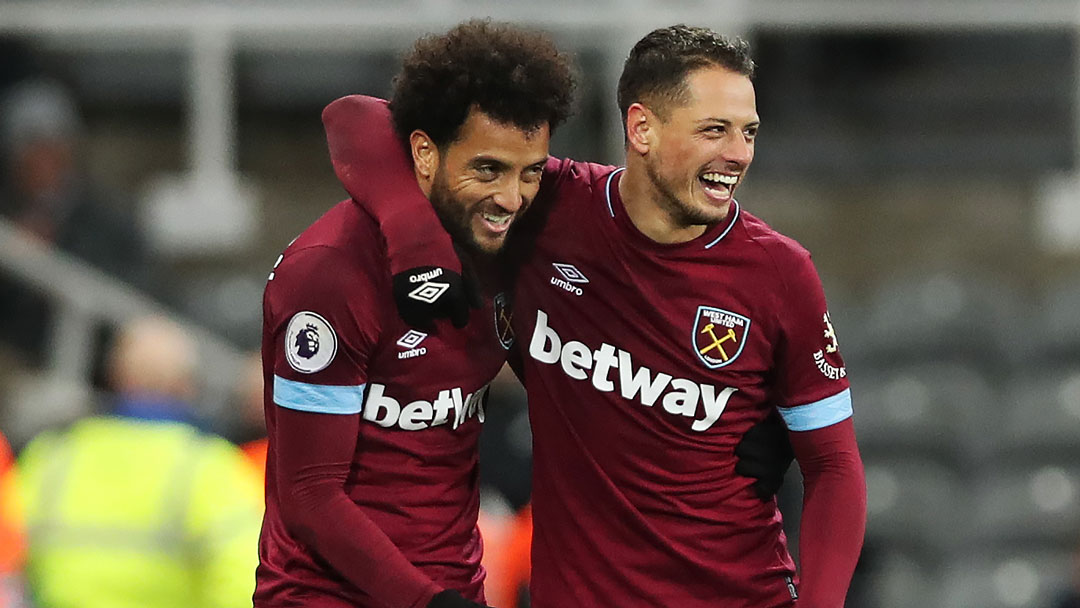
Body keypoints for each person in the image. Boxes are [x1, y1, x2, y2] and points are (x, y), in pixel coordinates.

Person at [327, 24, 866, 608]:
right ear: (642, 129)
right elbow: (355, 118)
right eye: (714, 131)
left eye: (748, 132)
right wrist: (417, 245)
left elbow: (834, 467)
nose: (737, 154)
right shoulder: (549, 206)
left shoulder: (779, 273)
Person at [254, 21, 574, 608]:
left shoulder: (512, 242)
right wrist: (426, 602)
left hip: (454, 587)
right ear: (424, 153)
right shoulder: (329, 274)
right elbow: (308, 496)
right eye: (488, 169)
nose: (511, 197)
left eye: (530, 172)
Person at [10, 315, 263, 608]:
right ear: (186, 385)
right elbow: (243, 578)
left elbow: (7, 556)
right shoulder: (212, 468)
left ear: (115, 375)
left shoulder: (53, 455)